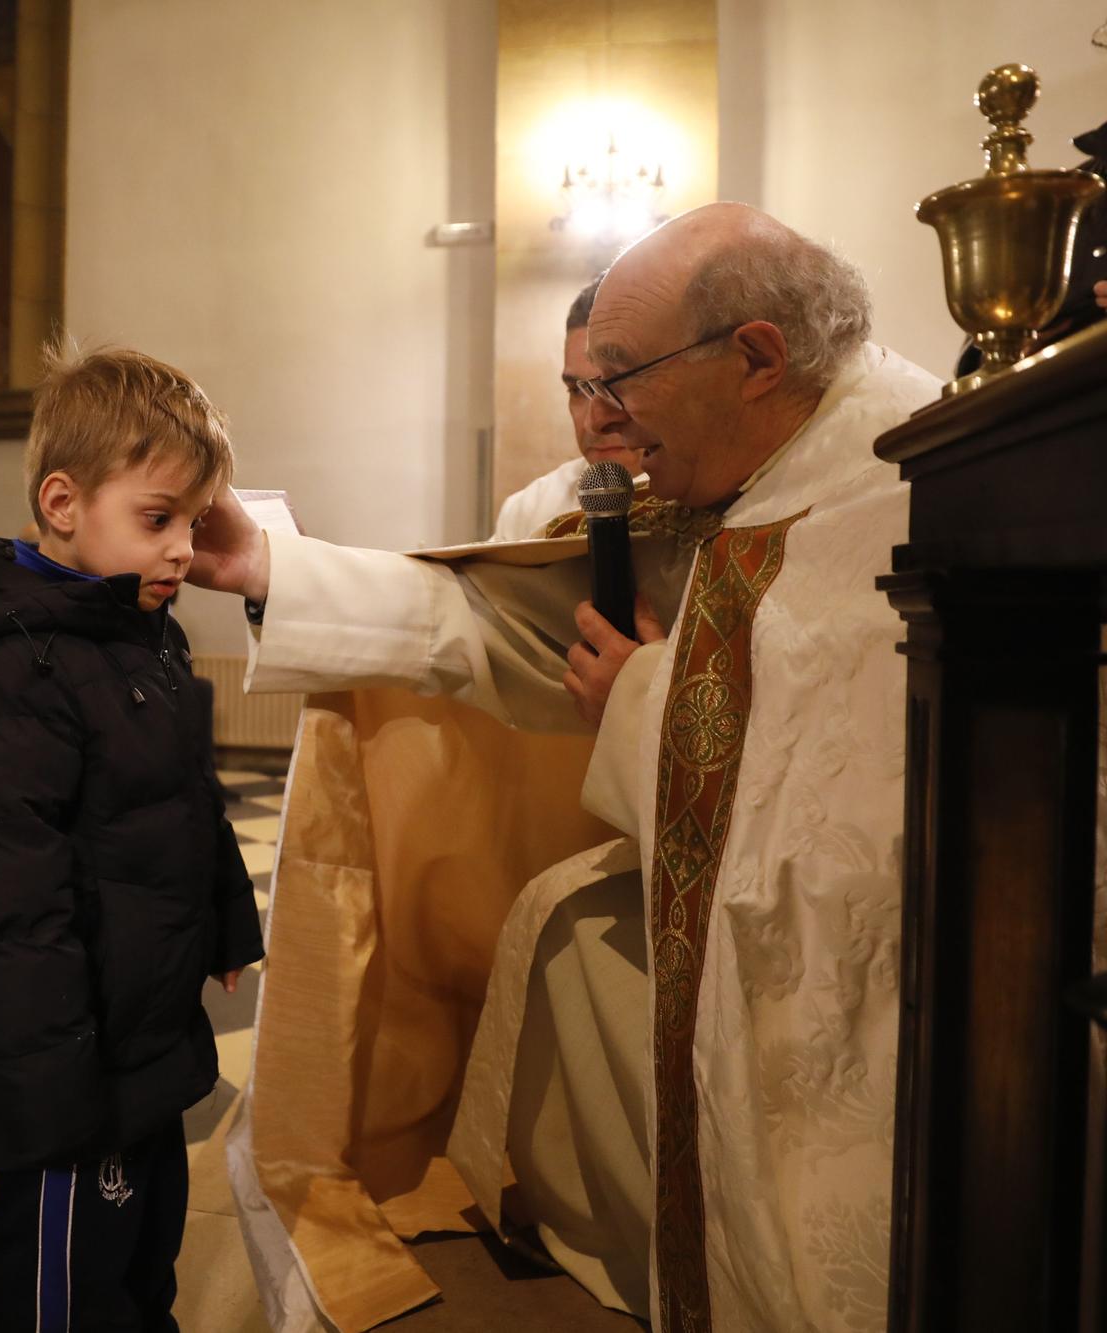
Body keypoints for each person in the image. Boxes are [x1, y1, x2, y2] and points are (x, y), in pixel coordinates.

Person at [191, 203, 940, 1333]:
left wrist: (638, 702)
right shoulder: (681, 475)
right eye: (580, 387)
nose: (605, 422)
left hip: (887, 1007)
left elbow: (843, 815)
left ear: (751, 360)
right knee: (553, 925)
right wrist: (268, 570)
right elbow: (488, 622)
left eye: (623, 378)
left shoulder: (896, 485)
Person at [0, 347, 265, 1329]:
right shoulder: (0, 672)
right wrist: (54, 1089)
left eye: (193, 522)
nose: (184, 548)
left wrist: (224, 924)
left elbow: (185, 798)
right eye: (158, 519)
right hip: (69, 1064)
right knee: (65, 1282)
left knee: (144, 1250)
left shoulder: (139, 634)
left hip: (136, 1021)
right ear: (62, 502)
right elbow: (5, 907)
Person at [488, 273, 648, 540]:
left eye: (614, 385)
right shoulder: (530, 513)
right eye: (577, 390)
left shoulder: (711, 503)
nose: (593, 420)